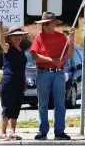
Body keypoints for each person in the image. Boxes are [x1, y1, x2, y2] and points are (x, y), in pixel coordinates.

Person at [29, 12, 75, 140]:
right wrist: (51, 60)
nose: (47, 26)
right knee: (42, 103)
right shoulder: (39, 37)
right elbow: (34, 56)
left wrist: (71, 40)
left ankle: (59, 131)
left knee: (60, 103)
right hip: (43, 73)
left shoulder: (61, 37)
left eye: (49, 23)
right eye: (45, 24)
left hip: (58, 73)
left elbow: (70, 55)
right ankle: (42, 131)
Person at [0, 22, 29, 141]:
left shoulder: (21, 50)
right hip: (8, 81)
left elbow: (22, 68)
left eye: (20, 35)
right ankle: (2, 132)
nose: (18, 37)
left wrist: (24, 81)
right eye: (15, 35)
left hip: (19, 83)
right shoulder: (8, 47)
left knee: (16, 107)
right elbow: (1, 43)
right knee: (7, 107)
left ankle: (12, 132)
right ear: (10, 36)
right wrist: (1, 30)